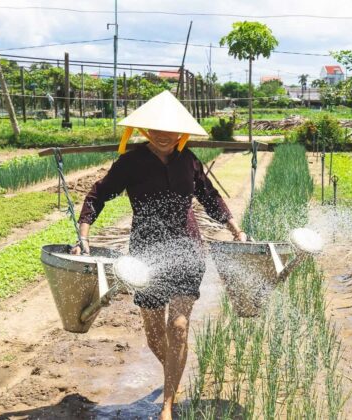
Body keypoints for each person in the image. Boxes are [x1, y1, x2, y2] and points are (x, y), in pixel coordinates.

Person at [72, 91, 245, 420]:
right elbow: (98, 194)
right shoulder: (131, 163)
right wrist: (84, 235)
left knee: (178, 327)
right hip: (146, 256)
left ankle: (167, 406)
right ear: (145, 130)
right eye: (156, 129)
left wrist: (236, 229)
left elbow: (210, 196)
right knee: (154, 335)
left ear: (181, 132)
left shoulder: (189, 160)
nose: (164, 135)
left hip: (187, 250)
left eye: (171, 130)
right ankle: (174, 375)